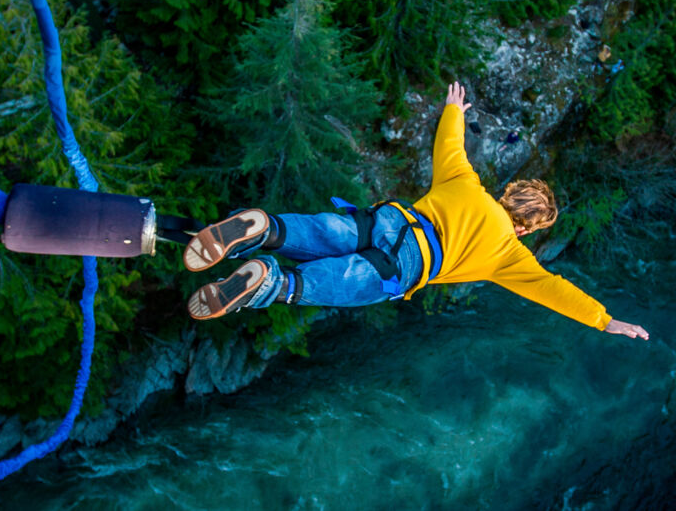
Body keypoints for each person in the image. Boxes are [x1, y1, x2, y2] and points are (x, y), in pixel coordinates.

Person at [182, 81, 650, 341]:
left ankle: (265, 228)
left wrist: (454, 110)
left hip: (391, 220)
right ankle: (270, 280)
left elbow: (450, 144)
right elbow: (553, 291)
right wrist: (605, 320)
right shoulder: (510, 255)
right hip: (408, 265)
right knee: (325, 283)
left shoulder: (465, 182)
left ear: (508, 193)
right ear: (526, 228)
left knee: (328, 232)